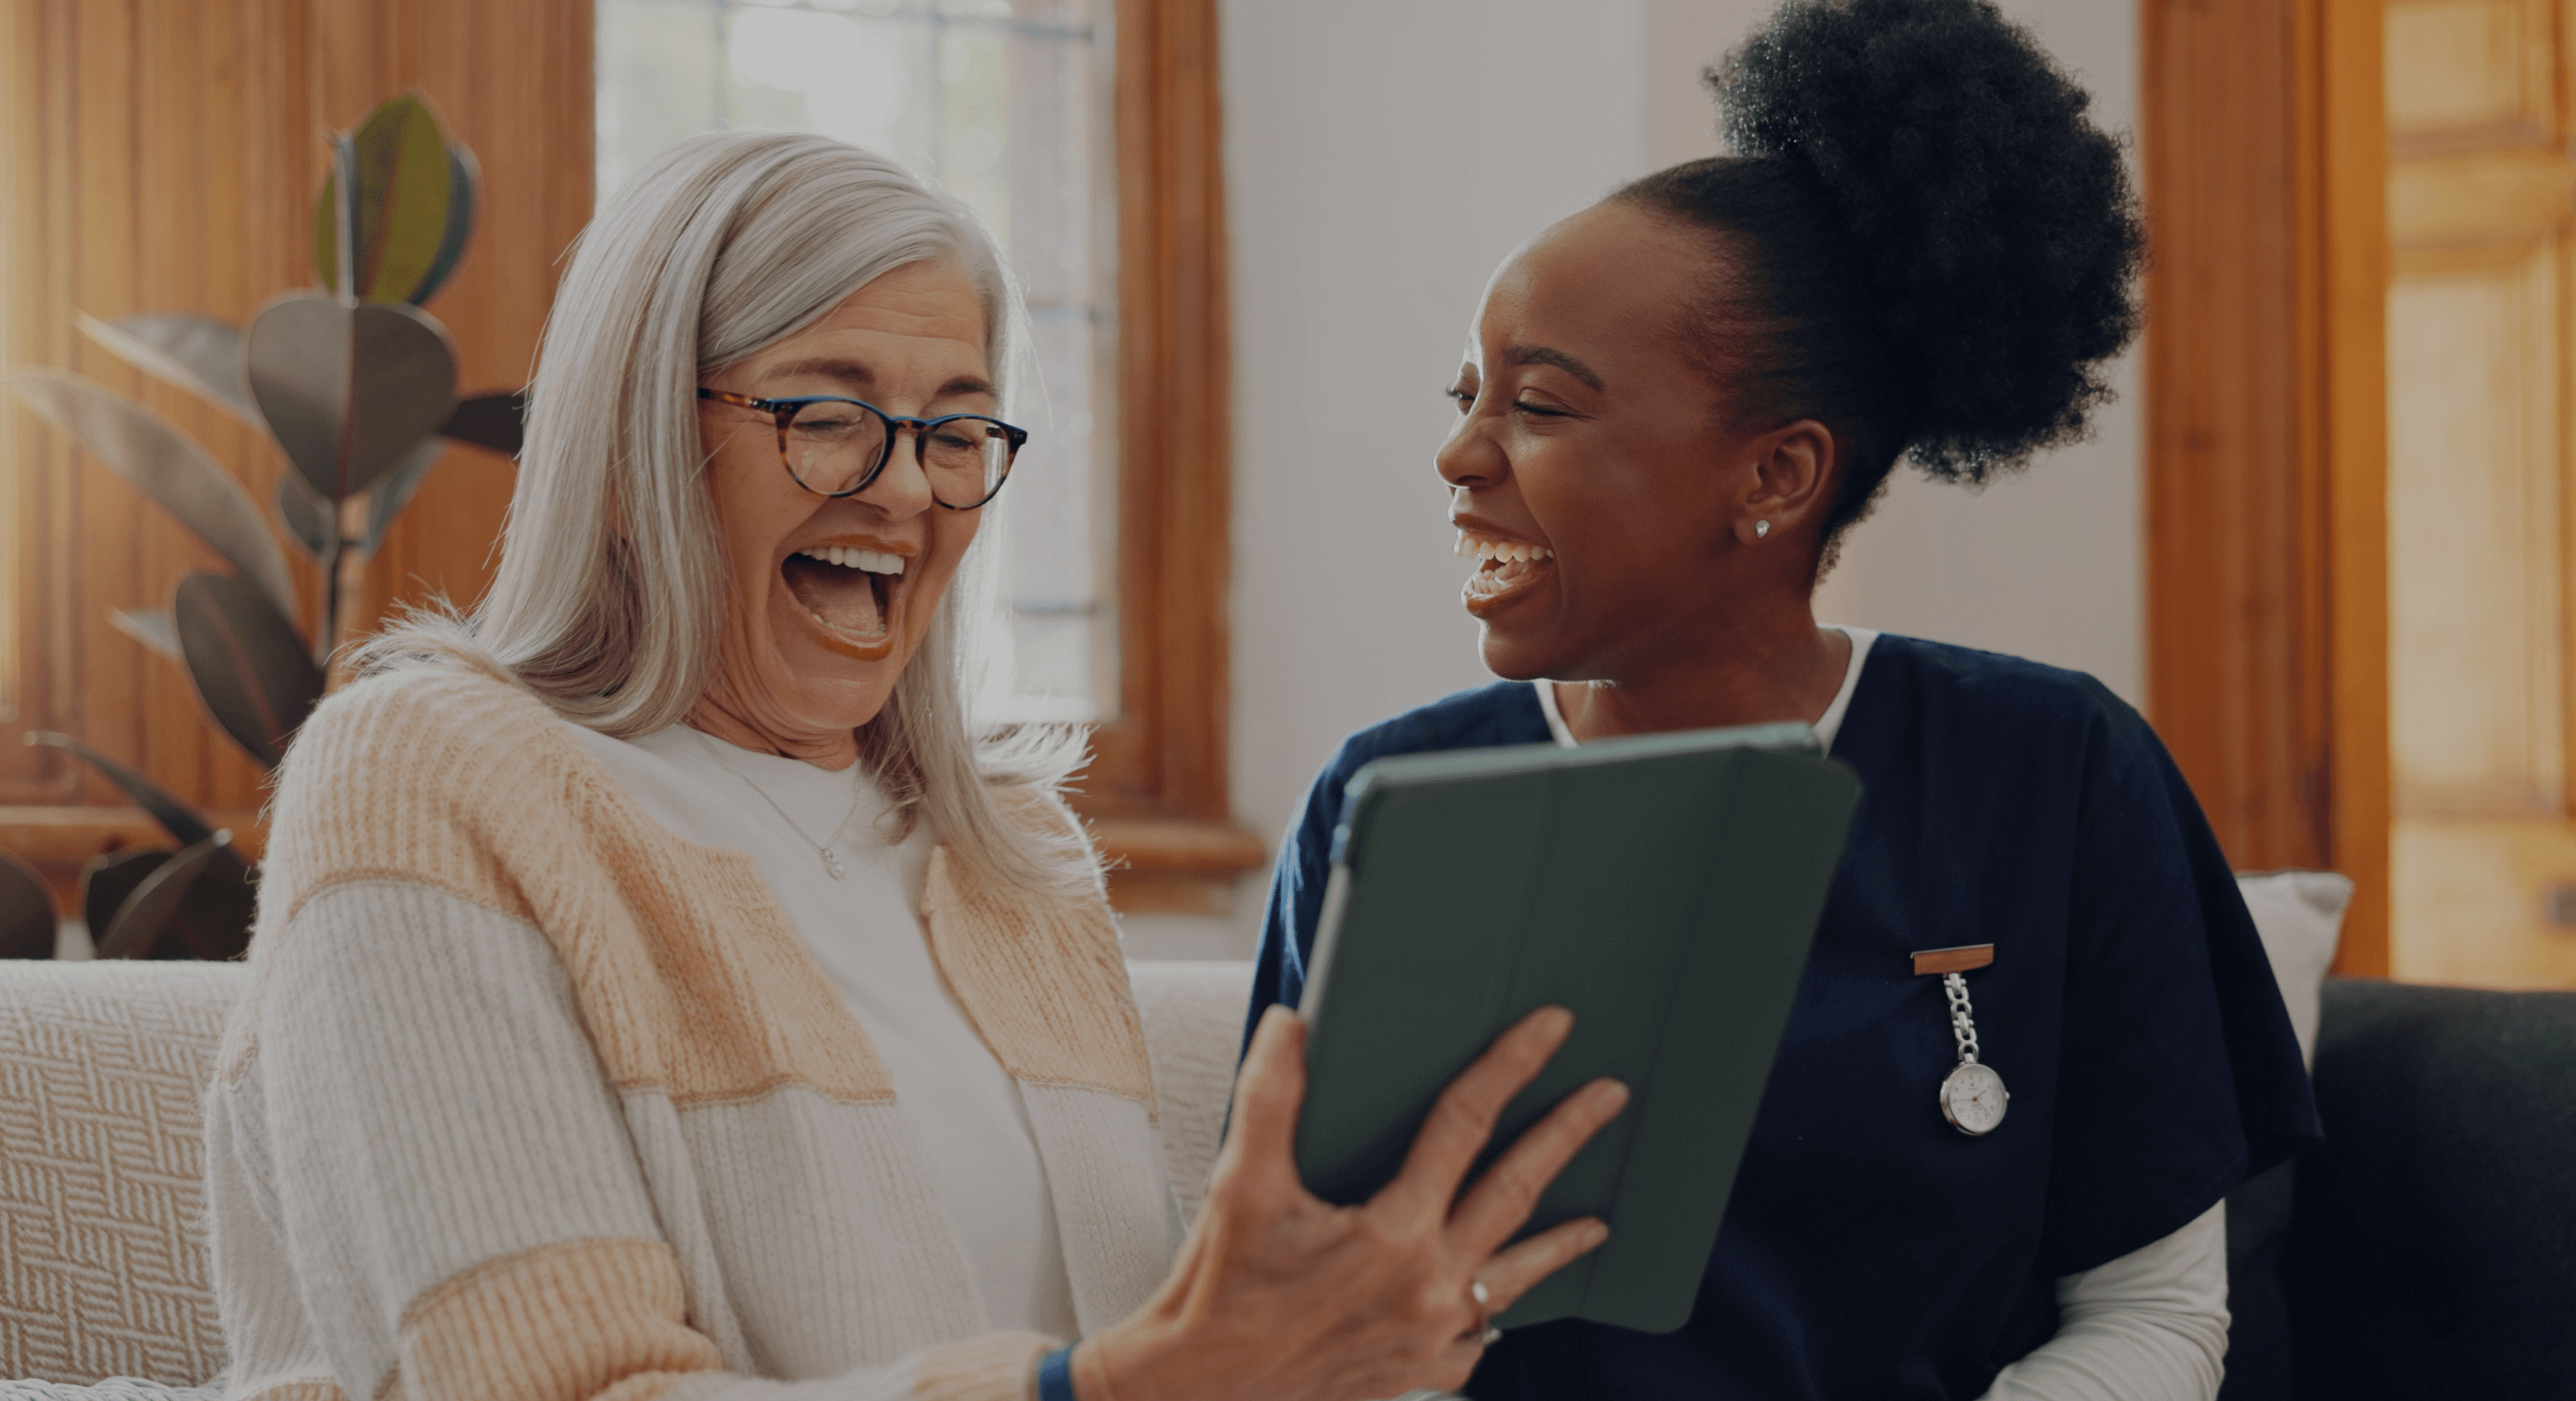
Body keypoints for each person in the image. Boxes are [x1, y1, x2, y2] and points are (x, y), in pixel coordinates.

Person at [201, 129, 1633, 1401]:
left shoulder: (1008, 855)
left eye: (955, 429)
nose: (899, 485)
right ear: (643, 440)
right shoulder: (429, 777)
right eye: (826, 414)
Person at [1244, 1, 2322, 1397]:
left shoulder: (2049, 772)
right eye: (1468, 394)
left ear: (1776, 478)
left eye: (1544, 406)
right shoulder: (1386, 806)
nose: (1458, 454)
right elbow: (1274, 1326)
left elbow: (2152, 1315)